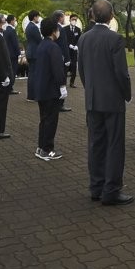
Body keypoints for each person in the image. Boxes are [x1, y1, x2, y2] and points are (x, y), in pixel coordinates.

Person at [76, 0, 132, 205]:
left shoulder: (83, 38)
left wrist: (89, 89)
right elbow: (121, 73)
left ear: (92, 15)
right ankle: (111, 191)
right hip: (112, 100)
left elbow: (81, 69)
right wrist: (127, 94)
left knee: (95, 144)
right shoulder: (114, 39)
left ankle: (96, 187)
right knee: (115, 145)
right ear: (111, 16)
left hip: (92, 99)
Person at [30, 18, 66, 160]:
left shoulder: (42, 45)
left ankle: (41, 147)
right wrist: (62, 86)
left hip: (41, 89)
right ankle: (48, 149)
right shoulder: (53, 47)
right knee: (51, 120)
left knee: (44, 120)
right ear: (53, 31)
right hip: (51, 90)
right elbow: (58, 70)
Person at [24, 11, 42, 92]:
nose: (38, 18)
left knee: (32, 73)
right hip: (34, 52)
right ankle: (33, 94)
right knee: (34, 74)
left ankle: (31, 94)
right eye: (38, 17)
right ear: (34, 17)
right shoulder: (33, 27)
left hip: (30, 51)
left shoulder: (29, 26)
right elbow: (39, 40)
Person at [4, 14, 22, 94]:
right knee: (13, 71)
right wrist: (19, 53)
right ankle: (10, 88)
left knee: (8, 71)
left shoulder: (5, 29)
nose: (15, 22)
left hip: (8, 53)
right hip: (13, 54)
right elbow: (15, 43)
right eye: (15, 20)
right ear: (11, 21)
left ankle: (8, 87)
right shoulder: (12, 30)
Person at [65, 14, 82, 87]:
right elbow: (64, 39)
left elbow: (79, 39)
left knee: (74, 66)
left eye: (75, 20)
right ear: (70, 20)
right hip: (67, 50)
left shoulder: (78, 29)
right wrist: (69, 45)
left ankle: (72, 82)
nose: (74, 21)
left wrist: (77, 46)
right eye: (73, 19)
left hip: (74, 50)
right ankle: (63, 82)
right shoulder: (65, 29)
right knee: (66, 66)